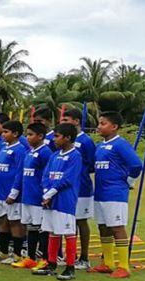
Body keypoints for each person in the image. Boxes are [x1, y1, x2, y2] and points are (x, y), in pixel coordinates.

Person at [89, 111, 143, 278]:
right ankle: (108, 263)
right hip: (100, 193)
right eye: (99, 123)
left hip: (115, 194)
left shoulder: (120, 144)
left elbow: (136, 165)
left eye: (103, 123)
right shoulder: (100, 146)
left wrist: (129, 181)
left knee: (117, 227)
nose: (99, 126)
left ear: (114, 127)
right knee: (103, 227)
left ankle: (124, 266)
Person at [32, 123, 81, 281]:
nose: (53, 139)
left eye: (57, 136)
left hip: (64, 200)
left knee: (68, 232)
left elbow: (68, 179)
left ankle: (70, 267)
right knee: (52, 231)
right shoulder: (54, 155)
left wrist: (51, 193)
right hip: (50, 199)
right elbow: (45, 176)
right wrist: (46, 192)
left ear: (67, 138)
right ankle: (51, 264)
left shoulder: (75, 156)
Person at [10, 123, 53, 270]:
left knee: (42, 229)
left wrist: (47, 194)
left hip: (38, 198)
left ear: (40, 136)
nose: (27, 137)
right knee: (30, 228)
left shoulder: (45, 152)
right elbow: (20, 174)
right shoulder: (28, 152)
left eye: (30, 134)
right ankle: (30, 258)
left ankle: (44, 258)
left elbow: (49, 175)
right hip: (26, 197)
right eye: (27, 134)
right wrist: (14, 192)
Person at [60, 109, 96, 270]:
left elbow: (91, 164)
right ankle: (70, 255)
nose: (63, 122)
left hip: (82, 188)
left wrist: (78, 174)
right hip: (66, 187)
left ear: (76, 121)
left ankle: (84, 257)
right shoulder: (62, 140)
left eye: (66, 119)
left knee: (80, 220)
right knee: (68, 220)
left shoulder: (86, 141)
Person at [0, 121, 26, 265]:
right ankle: (4, 251)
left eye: (6, 132)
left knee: (14, 222)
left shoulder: (20, 150)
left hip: (11, 193)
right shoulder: (3, 147)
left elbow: (19, 172)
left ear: (15, 134)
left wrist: (14, 192)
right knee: (2, 220)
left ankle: (17, 254)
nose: (3, 134)